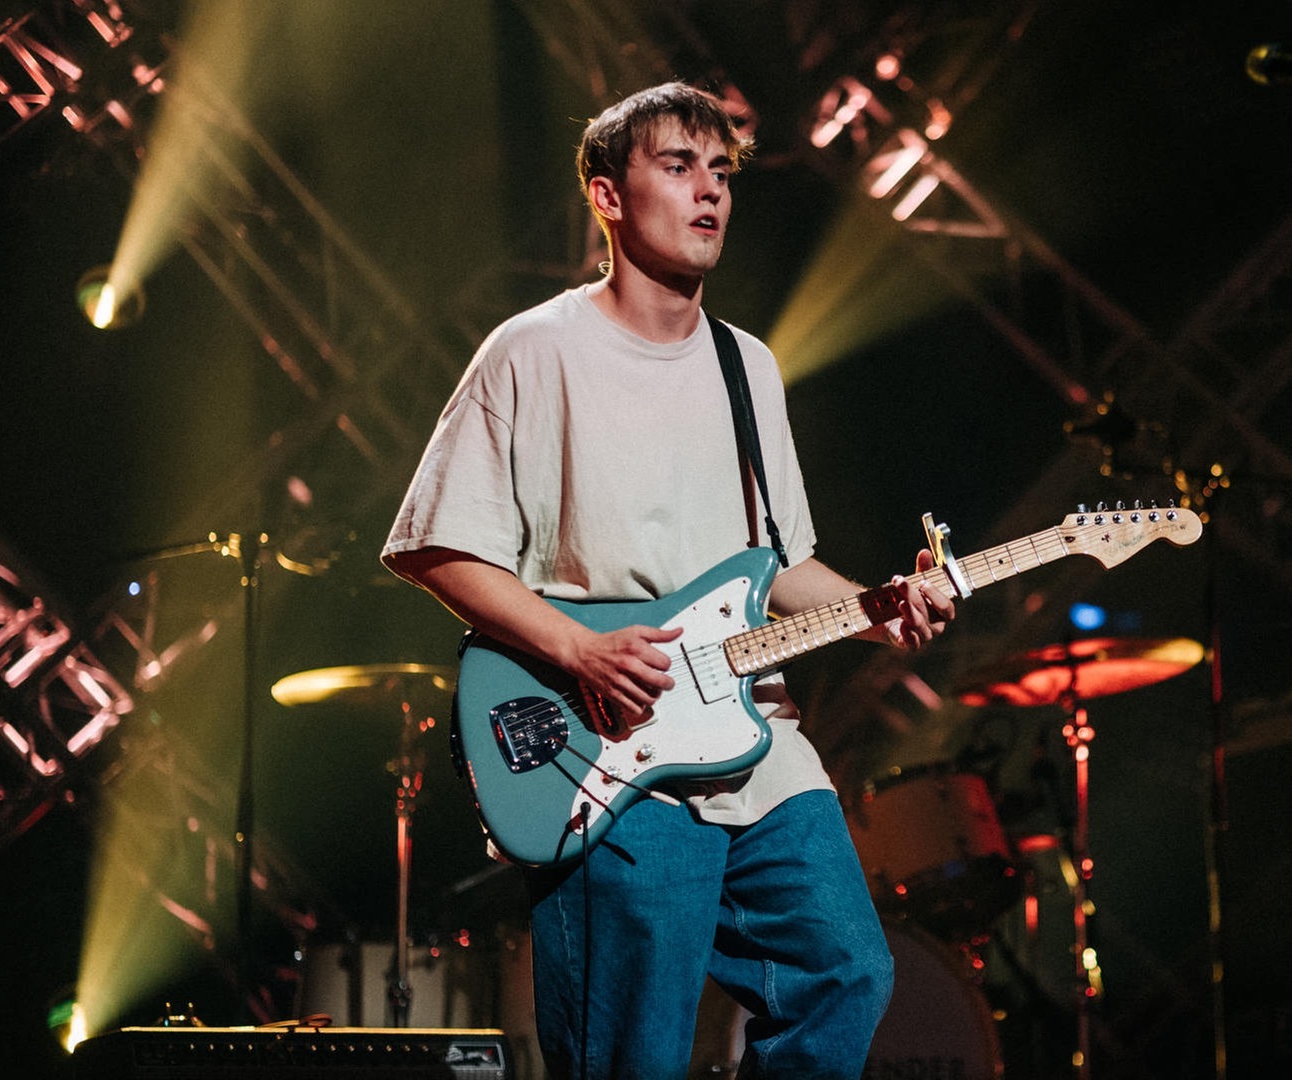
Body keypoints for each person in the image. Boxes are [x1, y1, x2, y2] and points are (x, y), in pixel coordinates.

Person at [379, 81, 956, 1079]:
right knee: (630, 1052)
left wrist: (880, 613)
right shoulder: (534, 351)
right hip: (609, 746)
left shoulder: (748, 369)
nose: (711, 192)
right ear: (607, 196)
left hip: (756, 737)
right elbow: (437, 545)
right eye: (679, 166)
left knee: (849, 972)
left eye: (723, 172)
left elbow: (777, 569)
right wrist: (579, 649)